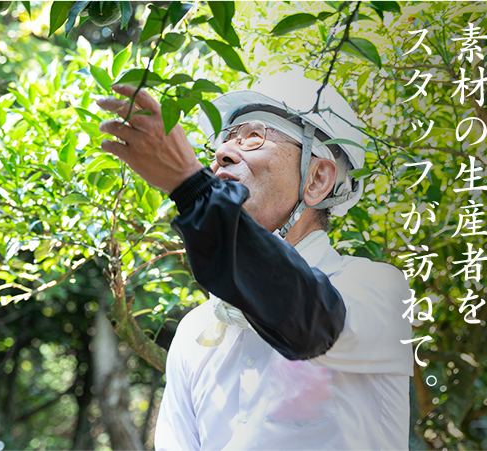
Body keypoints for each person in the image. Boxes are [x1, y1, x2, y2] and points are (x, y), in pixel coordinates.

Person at [96, 72, 413, 449]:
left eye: (254, 136)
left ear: (316, 179)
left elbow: (310, 319)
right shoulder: (196, 331)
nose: (222, 154)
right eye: (226, 138)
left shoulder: (379, 289)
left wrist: (190, 186)